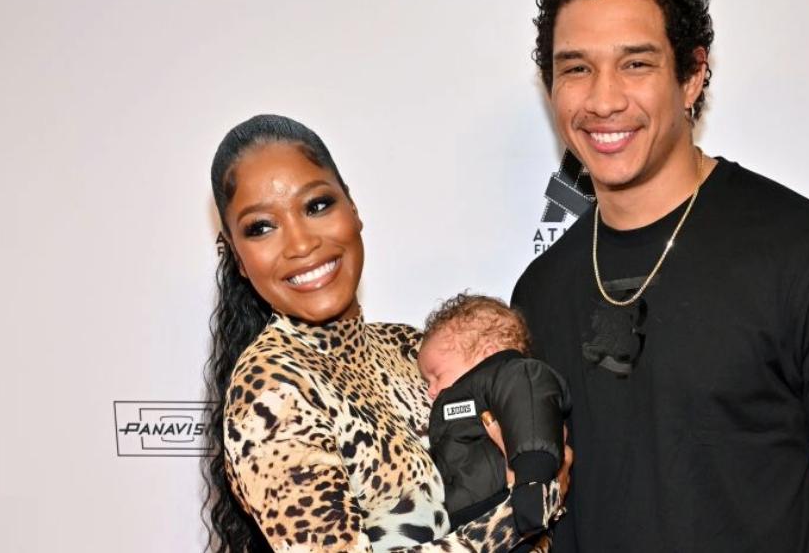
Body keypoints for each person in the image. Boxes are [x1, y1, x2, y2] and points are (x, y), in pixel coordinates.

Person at [511, 0, 809, 552]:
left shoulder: (806, 254)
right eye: (576, 68)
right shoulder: (539, 290)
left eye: (636, 63)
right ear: (552, 88)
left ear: (692, 77)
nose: (603, 99)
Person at [201, 114, 563, 553]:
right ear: (239, 259)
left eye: (316, 205)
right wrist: (523, 512)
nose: (299, 244)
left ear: (353, 209)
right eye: (261, 227)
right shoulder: (271, 389)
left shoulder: (408, 345)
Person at [418, 293, 569, 545]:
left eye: (436, 375)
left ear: (488, 354)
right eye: (427, 382)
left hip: (511, 504)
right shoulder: (458, 404)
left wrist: (531, 480)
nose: (430, 390)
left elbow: (531, 411)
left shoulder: (515, 374)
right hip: (466, 526)